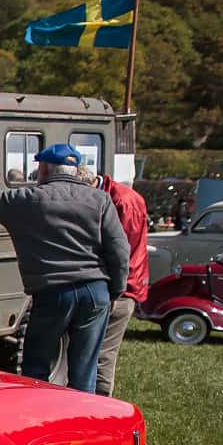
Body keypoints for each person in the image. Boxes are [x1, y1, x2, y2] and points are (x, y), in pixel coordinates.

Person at [0, 143, 126, 392]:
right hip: (96, 291)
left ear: (44, 168)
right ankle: (83, 425)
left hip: (53, 293)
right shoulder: (101, 200)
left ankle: (39, 419)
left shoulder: (27, 200)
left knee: (36, 368)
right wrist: (116, 290)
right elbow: (119, 249)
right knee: (85, 370)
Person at [52, 166, 149, 397]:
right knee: (78, 353)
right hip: (97, 285)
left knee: (101, 356)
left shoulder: (124, 202)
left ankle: (100, 408)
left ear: (88, 186)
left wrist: (116, 290)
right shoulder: (104, 198)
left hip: (119, 290)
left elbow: (124, 252)